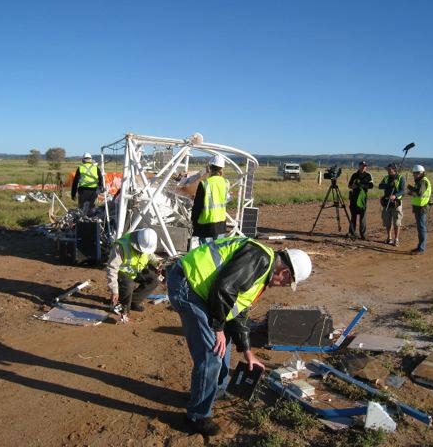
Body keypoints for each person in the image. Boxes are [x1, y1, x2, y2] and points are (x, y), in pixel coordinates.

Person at [166, 237, 312, 435]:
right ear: (284, 273)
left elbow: (238, 312)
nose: (284, 286)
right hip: (187, 285)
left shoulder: (261, 272)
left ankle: (214, 391)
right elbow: (223, 289)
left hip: (203, 289)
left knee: (224, 343)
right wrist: (217, 328)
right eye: (288, 283)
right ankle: (196, 416)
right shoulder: (259, 259)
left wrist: (247, 352)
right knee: (212, 354)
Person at [106, 228, 160, 315]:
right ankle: (123, 308)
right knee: (129, 284)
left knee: (154, 280)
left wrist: (157, 263)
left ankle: (133, 301)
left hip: (135, 271)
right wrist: (114, 291)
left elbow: (150, 255)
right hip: (121, 272)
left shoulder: (145, 244)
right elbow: (112, 268)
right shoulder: (121, 246)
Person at [191, 155, 230, 241]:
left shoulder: (204, 184)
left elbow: (197, 206)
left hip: (206, 226)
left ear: (210, 168)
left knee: (207, 252)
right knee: (217, 251)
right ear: (222, 169)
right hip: (221, 225)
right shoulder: (226, 183)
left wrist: (193, 221)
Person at [378, 163, 406, 246]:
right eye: (387, 169)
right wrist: (388, 185)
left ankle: (396, 239)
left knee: (397, 222)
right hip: (386, 202)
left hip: (396, 203)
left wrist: (395, 195)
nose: (388, 171)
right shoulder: (386, 178)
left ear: (394, 169)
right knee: (387, 222)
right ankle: (389, 238)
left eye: (389, 169)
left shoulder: (400, 178)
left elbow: (402, 190)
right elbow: (380, 186)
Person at [407, 165, 432, 254]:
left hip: (422, 207)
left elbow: (419, 193)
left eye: (416, 173)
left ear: (421, 173)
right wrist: (412, 192)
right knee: (420, 227)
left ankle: (421, 249)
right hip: (419, 207)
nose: (414, 175)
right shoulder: (420, 181)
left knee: (421, 228)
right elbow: (418, 193)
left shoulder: (422, 181)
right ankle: (420, 247)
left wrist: (410, 187)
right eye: (414, 173)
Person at [347, 161, 374, 240]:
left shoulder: (368, 175)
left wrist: (363, 185)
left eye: (365, 166)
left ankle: (363, 235)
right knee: (353, 217)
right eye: (362, 166)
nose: (364, 167)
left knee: (362, 218)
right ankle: (352, 233)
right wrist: (353, 186)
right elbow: (349, 185)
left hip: (363, 199)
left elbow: (371, 185)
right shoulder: (354, 175)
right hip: (354, 198)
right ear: (359, 166)